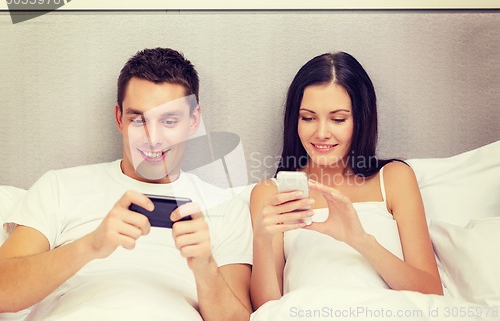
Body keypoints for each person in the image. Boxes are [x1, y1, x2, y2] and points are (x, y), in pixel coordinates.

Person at [0, 47, 253, 320]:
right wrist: (91, 245)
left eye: (169, 120)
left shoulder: (226, 207)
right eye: (138, 119)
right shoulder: (60, 186)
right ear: (120, 118)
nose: (152, 138)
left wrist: (205, 267)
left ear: (193, 121)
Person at [250, 51, 443, 310]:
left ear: (361, 119)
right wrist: (262, 240)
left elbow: (432, 294)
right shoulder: (270, 193)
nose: (321, 133)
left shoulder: (395, 179)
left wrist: (360, 240)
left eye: (338, 119)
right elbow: (266, 309)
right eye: (308, 118)